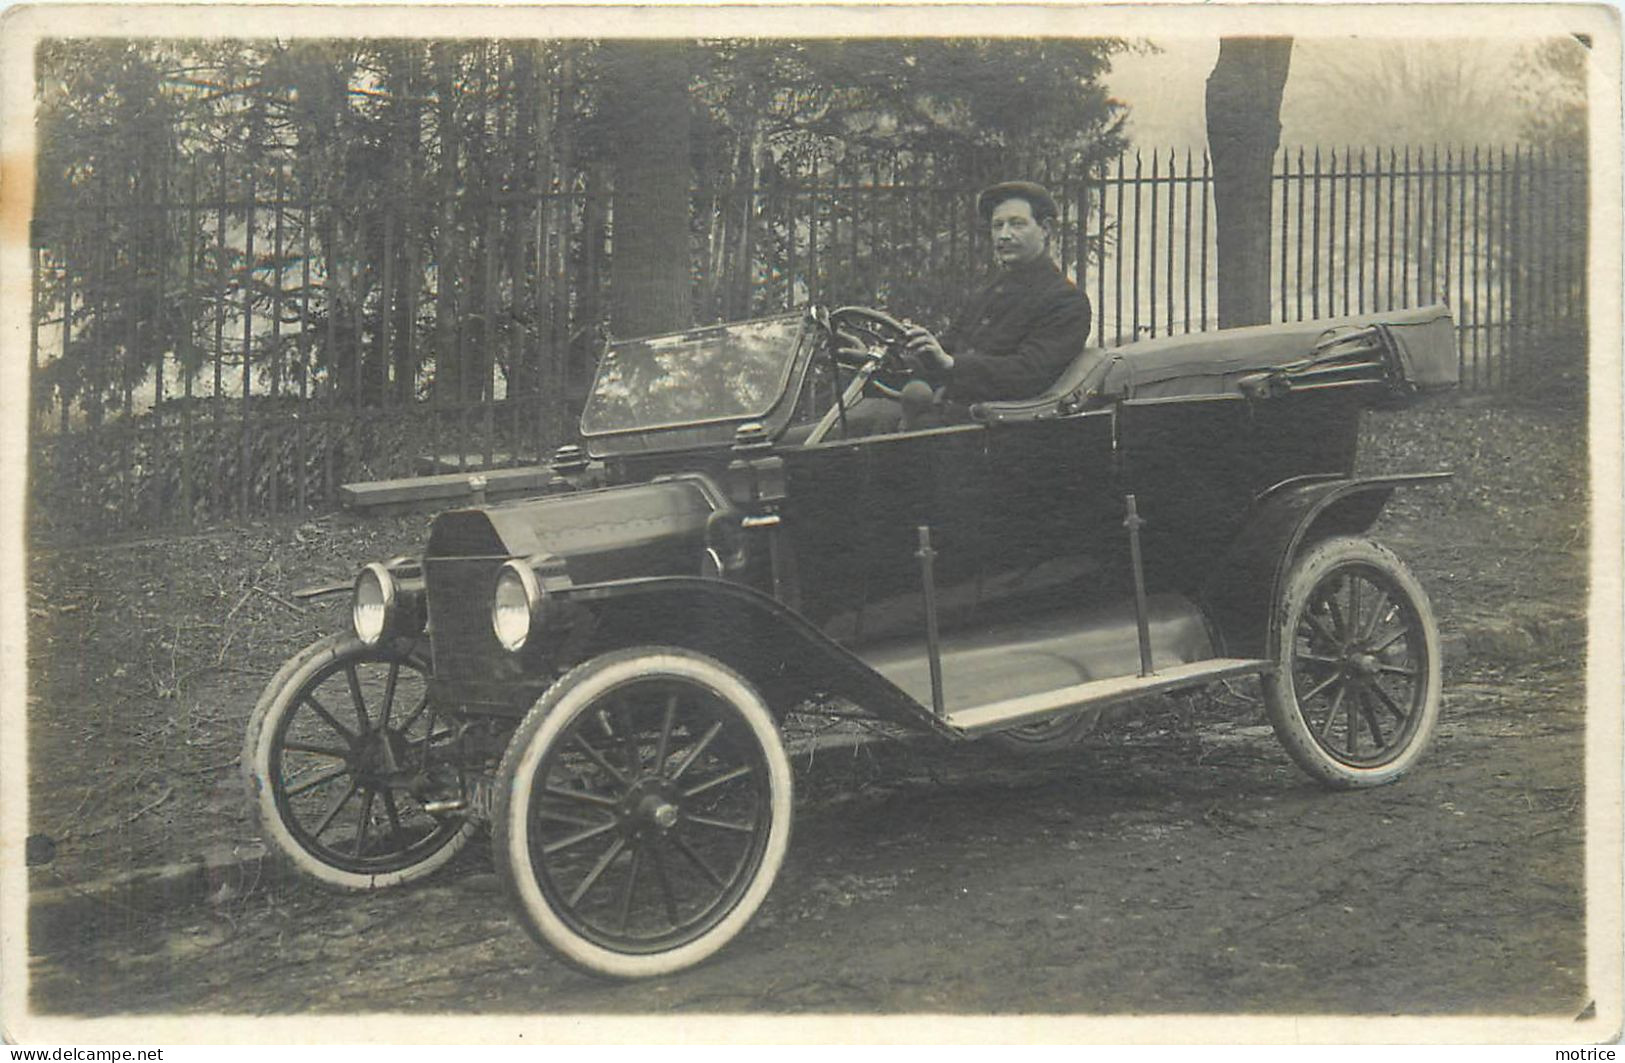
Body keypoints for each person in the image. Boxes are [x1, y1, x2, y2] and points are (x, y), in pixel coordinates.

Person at [899, 180, 1093, 410]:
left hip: (1002, 427)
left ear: (1046, 230)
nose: (1004, 235)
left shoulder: (1066, 301)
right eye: (997, 225)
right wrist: (898, 361)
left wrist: (952, 364)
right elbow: (948, 347)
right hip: (955, 413)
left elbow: (1029, 373)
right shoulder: (989, 291)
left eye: (1017, 224)